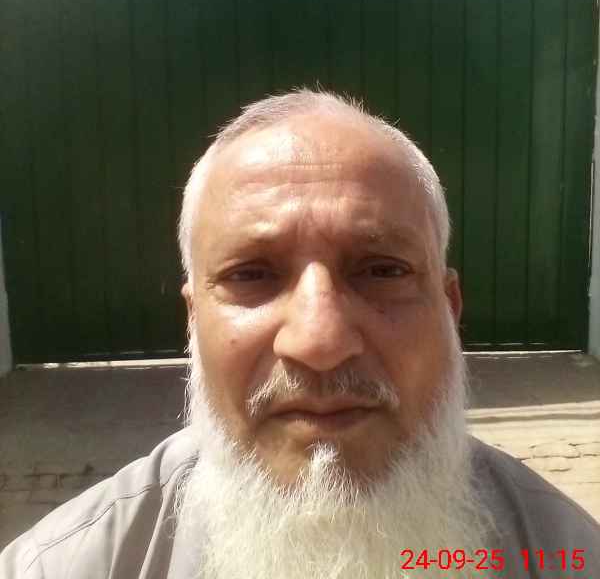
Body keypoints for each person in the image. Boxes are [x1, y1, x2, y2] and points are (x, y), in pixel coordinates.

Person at [1, 89, 599, 579]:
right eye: (251, 275)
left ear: (450, 310)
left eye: (382, 270)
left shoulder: (565, 555)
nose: (319, 342)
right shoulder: (65, 566)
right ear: (193, 322)